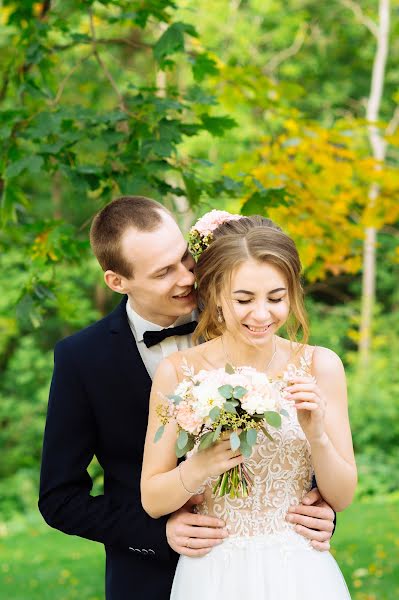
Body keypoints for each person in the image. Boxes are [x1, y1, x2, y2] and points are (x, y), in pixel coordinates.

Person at [39, 197, 336, 600]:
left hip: (276, 567)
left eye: (184, 259)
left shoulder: (245, 313)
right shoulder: (82, 359)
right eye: (163, 272)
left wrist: (323, 510)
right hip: (147, 576)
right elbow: (60, 498)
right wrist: (158, 533)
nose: (185, 278)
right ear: (117, 281)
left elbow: (296, 431)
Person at [141, 215, 357, 599]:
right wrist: (198, 467)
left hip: (300, 571)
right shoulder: (178, 372)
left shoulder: (322, 366)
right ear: (215, 294)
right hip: (212, 573)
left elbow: (341, 496)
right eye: (244, 300)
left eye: (276, 298)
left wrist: (318, 435)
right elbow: (153, 498)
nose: (262, 315)